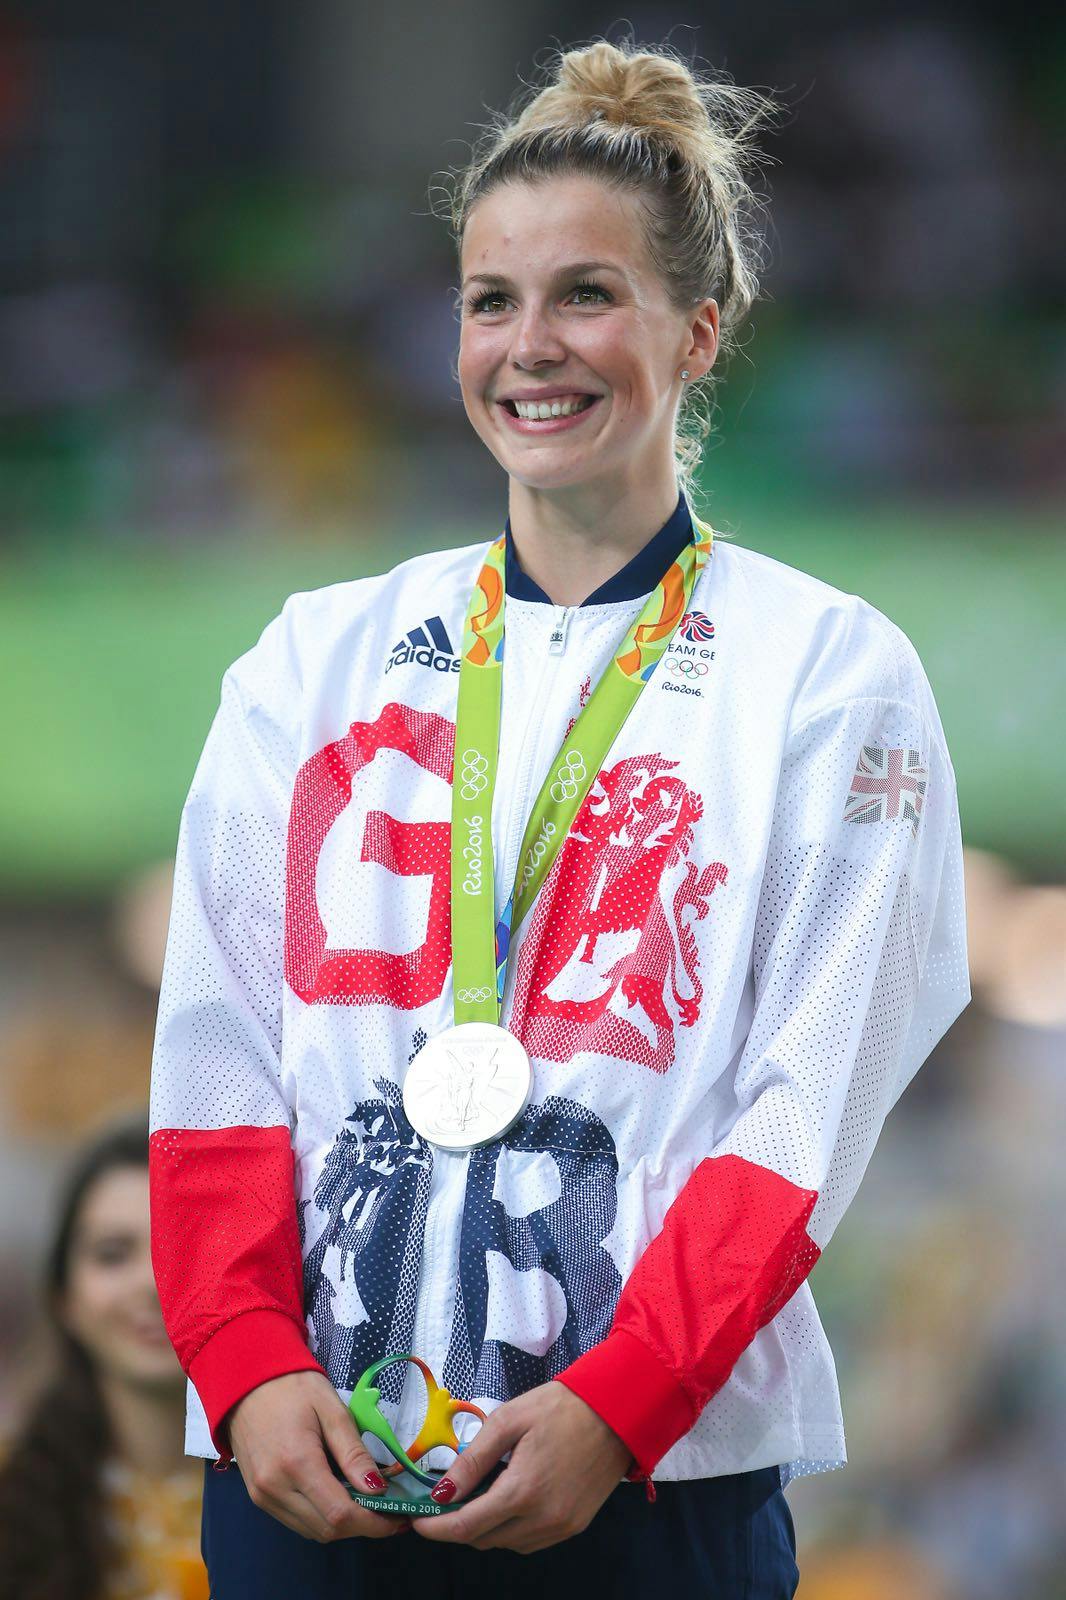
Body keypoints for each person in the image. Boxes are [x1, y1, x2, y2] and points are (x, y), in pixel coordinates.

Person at [147, 35, 971, 1600]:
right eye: (490, 301)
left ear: (699, 329)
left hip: (642, 1489)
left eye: (588, 294)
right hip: (308, 1478)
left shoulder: (827, 673)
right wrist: (246, 1363)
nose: (533, 346)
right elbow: (213, 1059)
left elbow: (802, 1116)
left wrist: (622, 1401)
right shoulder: (309, 657)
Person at [0, 1113, 209, 1600]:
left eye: (183, 1247)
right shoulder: (11, 1492)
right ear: (63, 1296)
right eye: (112, 1254)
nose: (151, 1285)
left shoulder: (306, 1494)